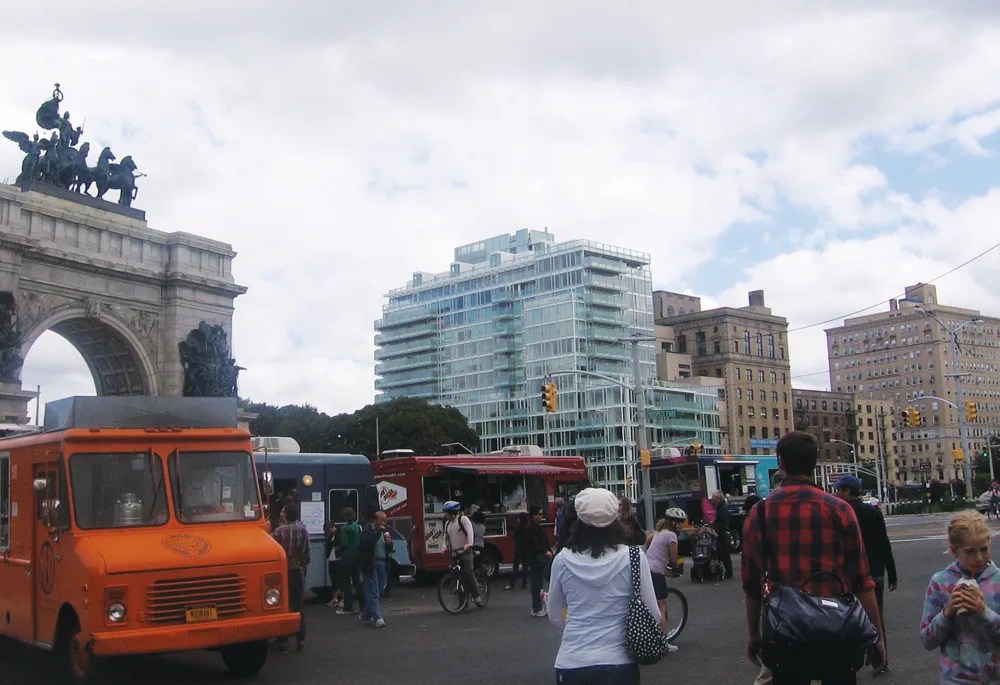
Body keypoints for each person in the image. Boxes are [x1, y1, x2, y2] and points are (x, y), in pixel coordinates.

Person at [741, 431, 885, 684]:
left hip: (785, 632)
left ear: (780, 462)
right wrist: (877, 635)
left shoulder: (760, 512)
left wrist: (754, 634)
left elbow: (751, 584)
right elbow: (862, 580)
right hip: (837, 630)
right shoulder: (840, 509)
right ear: (814, 463)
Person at [547, 487, 660, 684]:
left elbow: (555, 616)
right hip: (619, 663)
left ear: (579, 520)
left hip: (572, 661)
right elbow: (654, 614)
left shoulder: (562, 560)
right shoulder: (634, 558)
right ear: (615, 518)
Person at [920, 510, 999, 683]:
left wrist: (984, 612)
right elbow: (927, 640)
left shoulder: (998, 580)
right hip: (955, 679)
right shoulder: (940, 582)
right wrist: (947, 613)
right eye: (970, 551)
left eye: (984, 549)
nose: (978, 558)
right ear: (954, 550)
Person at [833, 475, 898, 675]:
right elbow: (884, 543)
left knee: (845, 618)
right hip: (875, 571)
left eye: (839, 489)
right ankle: (881, 659)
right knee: (875, 616)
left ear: (846, 491)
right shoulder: (872, 512)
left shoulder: (839, 512)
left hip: (847, 574)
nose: (836, 492)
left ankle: (849, 662)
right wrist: (892, 574)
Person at [644, 508, 686, 653]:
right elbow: (674, 559)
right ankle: (661, 642)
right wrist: (676, 568)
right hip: (656, 573)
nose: (681, 525)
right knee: (662, 608)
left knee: (648, 604)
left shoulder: (658, 532)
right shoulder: (672, 536)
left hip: (646, 570)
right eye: (679, 522)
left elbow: (647, 543)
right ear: (672, 522)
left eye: (682, 522)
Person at [271, 503, 310, 652]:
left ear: (285, 515)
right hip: (297, 572)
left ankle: (283, 639)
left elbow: (273, 552)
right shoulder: (303, 531)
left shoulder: (278, 532)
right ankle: (301, 639)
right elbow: (307, 554)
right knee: (298, 605)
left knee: (283, 606)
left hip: (283, 572)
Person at [443, 500, 483, 606]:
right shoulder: (448, 524)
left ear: (451, 512)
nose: (445, 515)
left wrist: (469, 544)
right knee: (456, 576)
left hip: (465, 551)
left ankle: (477, 595)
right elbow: (446, 537)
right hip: (455, 553)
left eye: (446, 512)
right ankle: (462, 602)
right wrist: (444, 547)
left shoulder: (463, 519)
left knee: (468, 572)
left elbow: (470, 532)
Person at [358, 511, 393, 628]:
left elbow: (389, 548)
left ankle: (367, 613)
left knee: (380, 590)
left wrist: (389, 543)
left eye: (385, 520)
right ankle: (378, 618)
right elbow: (367, 543)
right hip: (370, 563)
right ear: (375, 520)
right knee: (373, 590)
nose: (383, 523)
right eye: (381, 520)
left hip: (382, 562)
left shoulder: (385, 530)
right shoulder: (367, 529)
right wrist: (378, 532)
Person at [525, 505, 553, 617]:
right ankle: (537, 608)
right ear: (534, 515)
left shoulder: (535, 527)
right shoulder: (531, 528)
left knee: (538, 583)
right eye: (539, 514)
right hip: (535, 558)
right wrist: (545, 551)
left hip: (538, 558)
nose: (541, 516)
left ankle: (537, 607)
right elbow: (534, 544)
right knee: (536, 584)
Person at [335, 508, 364, 615]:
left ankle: (348, 607)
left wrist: (337, 549)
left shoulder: (345, 528)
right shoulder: (358, 527)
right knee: (358, 582)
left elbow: (344, 544)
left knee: (346, 583)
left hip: (347, 556)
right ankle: (362, 606)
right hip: (357, 556)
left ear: (344, 517)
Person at [711, 491, 733, 579]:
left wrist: (717, 527)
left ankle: (728, 572)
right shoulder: (720, 507)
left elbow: (724, 521)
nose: (712, 499)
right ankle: (725, 571)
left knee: (724, 553)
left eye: (714, 497)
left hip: (722, 533)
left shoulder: (722, 508)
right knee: (721, 552)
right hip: (721, 533)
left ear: (718, 498)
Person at [505, 512, 530, 590]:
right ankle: (524, 584)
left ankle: (512, 583)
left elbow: (514, 536)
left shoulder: (519, 527)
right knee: (525, 566)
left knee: (515, 566)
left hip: (519, 548)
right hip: (527, 548)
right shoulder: (528, 527)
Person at [323, 521, 343, 609]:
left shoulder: (340, 534)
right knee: (333, 580)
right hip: (332, 559)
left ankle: (342, 599)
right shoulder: (330, 536)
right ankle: (335, 598)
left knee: (340, 580)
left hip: (338, 559)